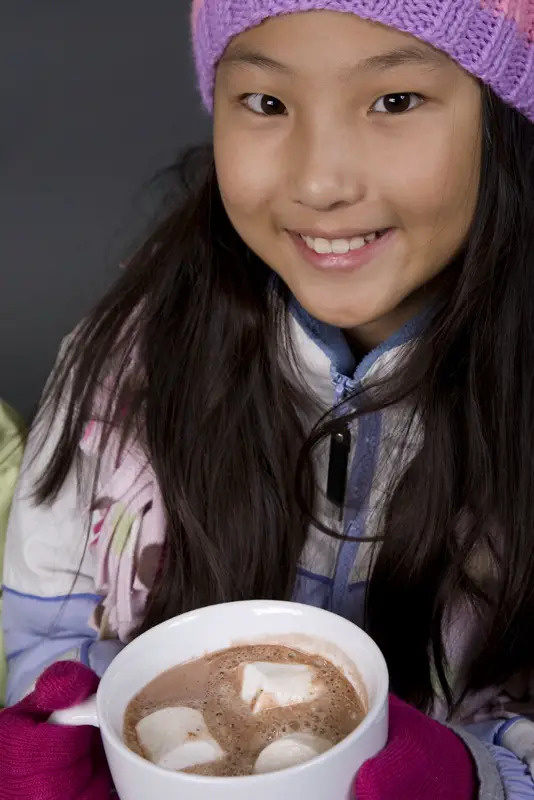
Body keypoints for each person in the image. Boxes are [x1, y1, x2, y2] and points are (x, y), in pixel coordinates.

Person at [1, 0, 534, 797]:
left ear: (505, 118)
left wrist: (478, 775)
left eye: (394, 102)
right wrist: (75, 742)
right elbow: (49, 625)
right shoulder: (127, 369)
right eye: (267, 103)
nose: (318, 182)